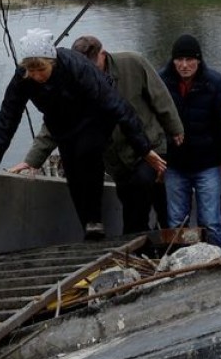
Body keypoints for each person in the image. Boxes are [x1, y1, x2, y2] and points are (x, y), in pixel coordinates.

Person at [0, 29, 160, 241]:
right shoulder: (23, 78)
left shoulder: (76, 66)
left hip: (95, 118)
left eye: (41, 69)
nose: (37, 76)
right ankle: (90, 228)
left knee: (87, 154)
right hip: (62, 126)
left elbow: (118, 106)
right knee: (73, 172)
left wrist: (144, 149)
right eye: (32, 71)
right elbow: (7, 116)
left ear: (52, 62)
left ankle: (94, 218)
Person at [14, 36, 184, 236]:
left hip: (148, 147)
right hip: (115, 160)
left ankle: (160, 240)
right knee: (130, 203)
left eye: (93, 67)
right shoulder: (76, 78)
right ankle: (144, 246)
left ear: (103, 55)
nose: (90, 72)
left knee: (145, 195)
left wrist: (175, 129)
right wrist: (32, 160)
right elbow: (55, 125)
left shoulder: (133, 62)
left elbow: (160, 97)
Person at [158, 34, 221, 246]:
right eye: (179, 60)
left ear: (198, 60)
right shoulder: (161, 82)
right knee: (176, 222)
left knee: (211, 222)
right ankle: (179, 260)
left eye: (189, 60)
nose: (184, 65)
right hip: (175, 164)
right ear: (173, 61)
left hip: (207, 164)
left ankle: (214, 259)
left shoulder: (215, 83)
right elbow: (153, 123)